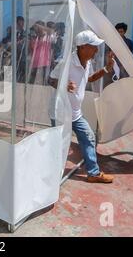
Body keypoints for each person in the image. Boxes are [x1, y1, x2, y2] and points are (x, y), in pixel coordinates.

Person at [49, 30, 115, 183]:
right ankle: (51, 175)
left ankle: (93, 173)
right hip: (60, 113)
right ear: (83, 47)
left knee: (88, 137)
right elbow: (50, 79)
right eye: (94, 46)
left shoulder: (87, 61)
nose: (97, 50)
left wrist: (106, 69)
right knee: (58, 145)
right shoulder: (66, 62)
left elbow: (90, 78)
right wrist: (64, 85)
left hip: (76, 113)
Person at [28, 21, 53, 85]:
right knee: (33, 83)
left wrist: (40, 27)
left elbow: (51, 31)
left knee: (42, 83)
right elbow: (32, 48)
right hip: (35, 64)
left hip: (44, 64)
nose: (36, 30)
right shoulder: (35, 37)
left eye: (37, 28)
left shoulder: (48, 37)